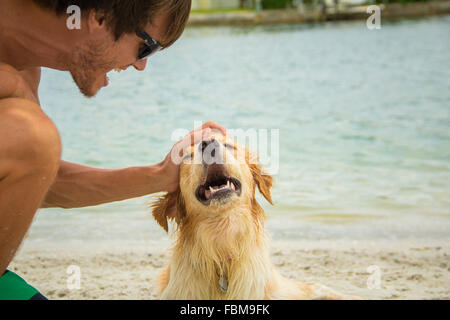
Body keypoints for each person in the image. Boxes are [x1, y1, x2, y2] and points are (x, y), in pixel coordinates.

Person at [0, 0, 226, 299]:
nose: (141, 65)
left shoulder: (23, 70)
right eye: (147, 48)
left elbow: (33, 180)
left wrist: (160, 176)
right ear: (101, 17)